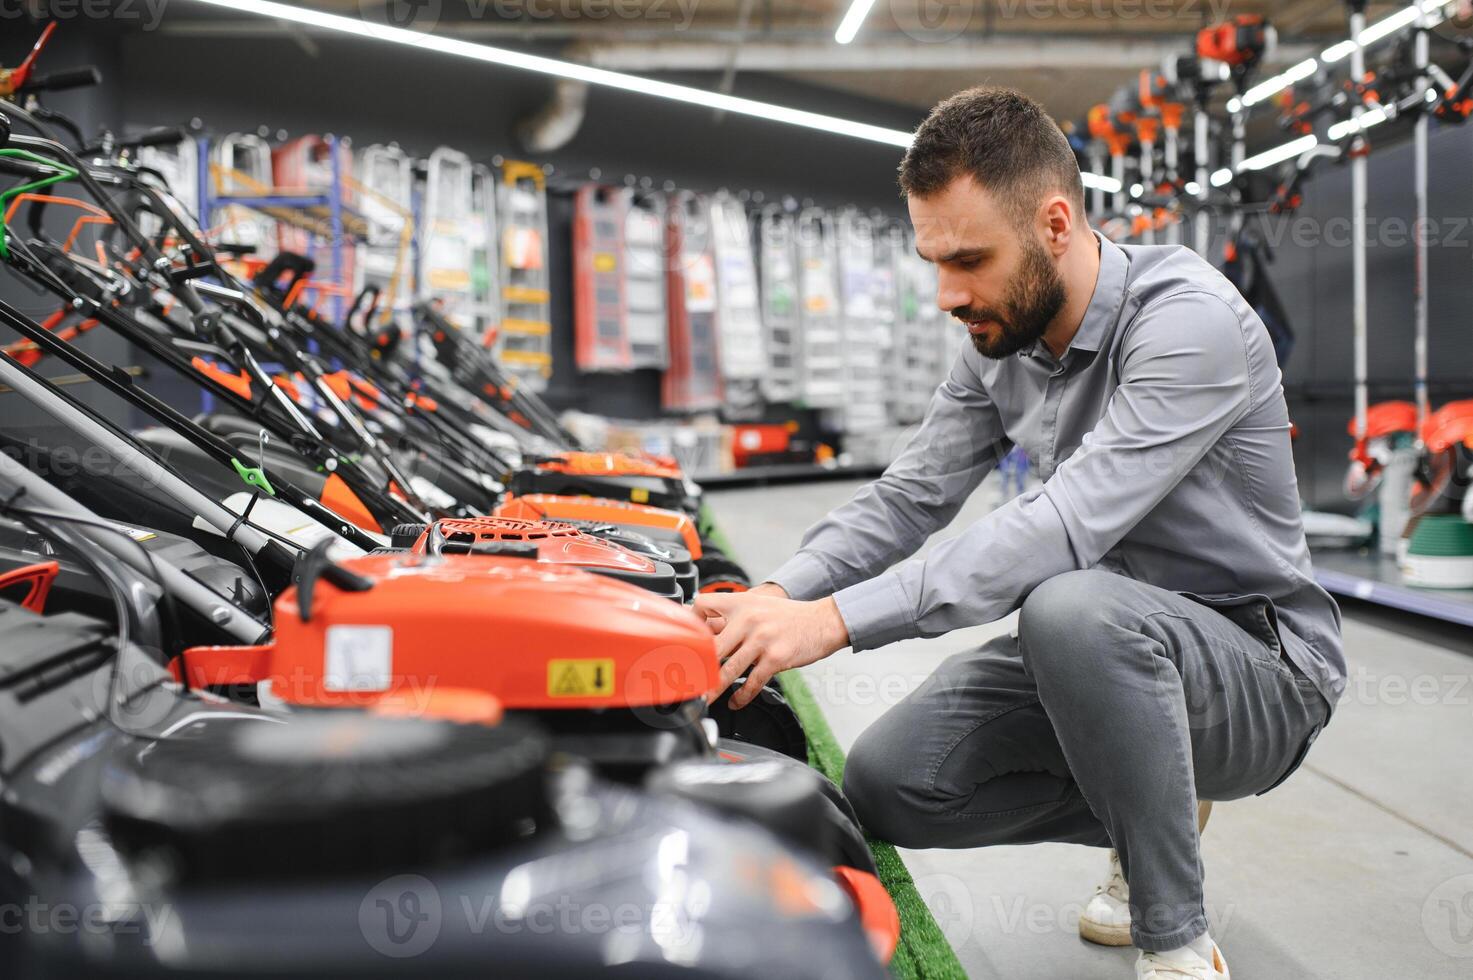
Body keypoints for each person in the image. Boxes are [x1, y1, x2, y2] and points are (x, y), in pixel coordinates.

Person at [694, 87, 1343, 980]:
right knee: (889, 785)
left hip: (1259, 668)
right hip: (1103, 657)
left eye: (968, 259)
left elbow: (1064, 524)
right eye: (933, 261)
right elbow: (910, 497)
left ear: (1054, 224)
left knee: (1065, 604)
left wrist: (836, 621)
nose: (946, 295)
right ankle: (1159, 797)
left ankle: (1174, 936)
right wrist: (779, 594)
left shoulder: (1187, 322)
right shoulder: (996, 342)